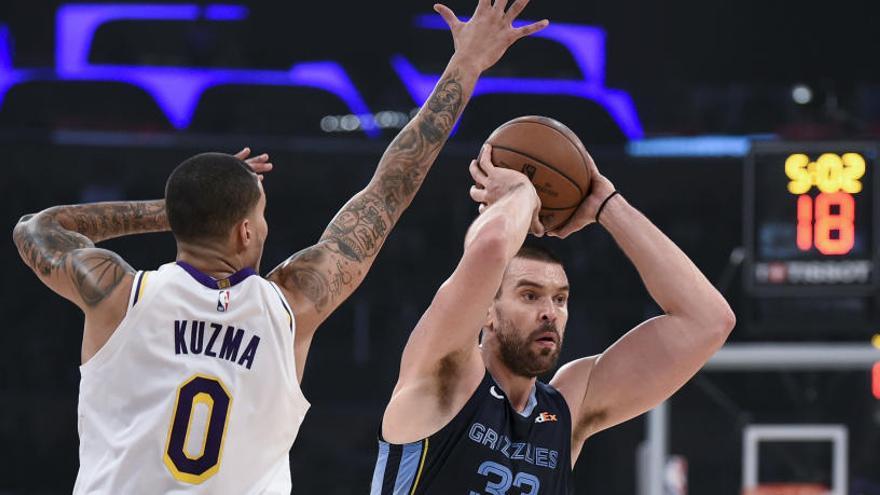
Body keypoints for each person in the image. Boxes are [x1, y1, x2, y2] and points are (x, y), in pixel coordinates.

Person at [10, 2, 549, 492]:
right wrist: (466, 66)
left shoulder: (115, 294)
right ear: (245, 232)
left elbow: (37, 227)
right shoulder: (291, 307)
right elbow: (390, 190)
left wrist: (172, 208)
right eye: (260, 216)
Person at [371, 144, 736, 493]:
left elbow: (708, 321)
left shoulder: (566, 410)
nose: (550, 312)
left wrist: (606, 205)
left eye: (560, 299)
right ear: (487, 311)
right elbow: (493, 246)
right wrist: (522, 192)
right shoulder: (442, 374)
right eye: (529, 295)